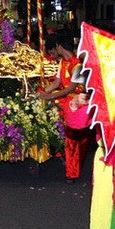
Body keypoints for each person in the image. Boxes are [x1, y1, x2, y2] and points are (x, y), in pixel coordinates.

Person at [38, 35, 90, 183]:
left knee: (73, 140)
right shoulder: (63, 62)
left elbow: (72, 88)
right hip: (66, 102)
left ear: (59, 46)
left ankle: (72, 171)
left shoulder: (78, 64)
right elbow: (56, 83)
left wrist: (50, 97)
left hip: (78, 103)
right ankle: (67, 163)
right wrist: (42, 93)